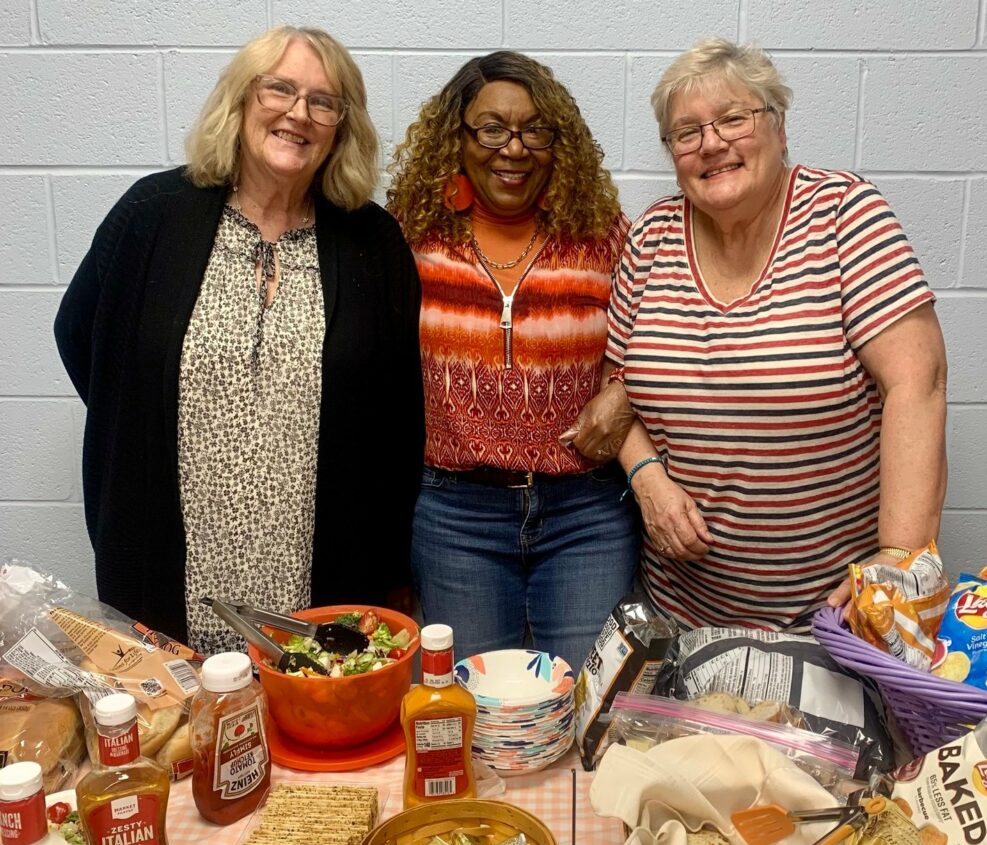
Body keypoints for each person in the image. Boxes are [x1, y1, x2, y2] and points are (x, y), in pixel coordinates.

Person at [55, 26, 424, 654]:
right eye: (279, 89)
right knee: (178, 743)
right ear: (242, 99)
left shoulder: (373, 243)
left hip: (323, 578)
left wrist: (392, 568)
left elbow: (396, 416)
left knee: (317, 734)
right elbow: (81, 336)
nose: (297, 113)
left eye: (322, 101)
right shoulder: (151, 216)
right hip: (168, 567)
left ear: (342, 126)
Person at [584, 38, 947, 634]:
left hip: (833, 617)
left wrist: (895, 563)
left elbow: (919, 384)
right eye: (687, 132)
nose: (712, 143)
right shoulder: (651, 235)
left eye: (733, 119)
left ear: (779, 128)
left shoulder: (844, 216)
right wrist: (645, 475)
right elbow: (614, 384)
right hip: (680, 613)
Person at [387, 51, 639, 673]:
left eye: (534, 130)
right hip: (454, 517)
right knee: (474, 714)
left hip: (586, 512)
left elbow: (657, 337)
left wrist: (625, 389)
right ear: (458, 137)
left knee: (585, 708)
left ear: (561, 143)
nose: (513, 148)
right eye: (491, 129)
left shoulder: (603, 234)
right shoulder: (411, 233)